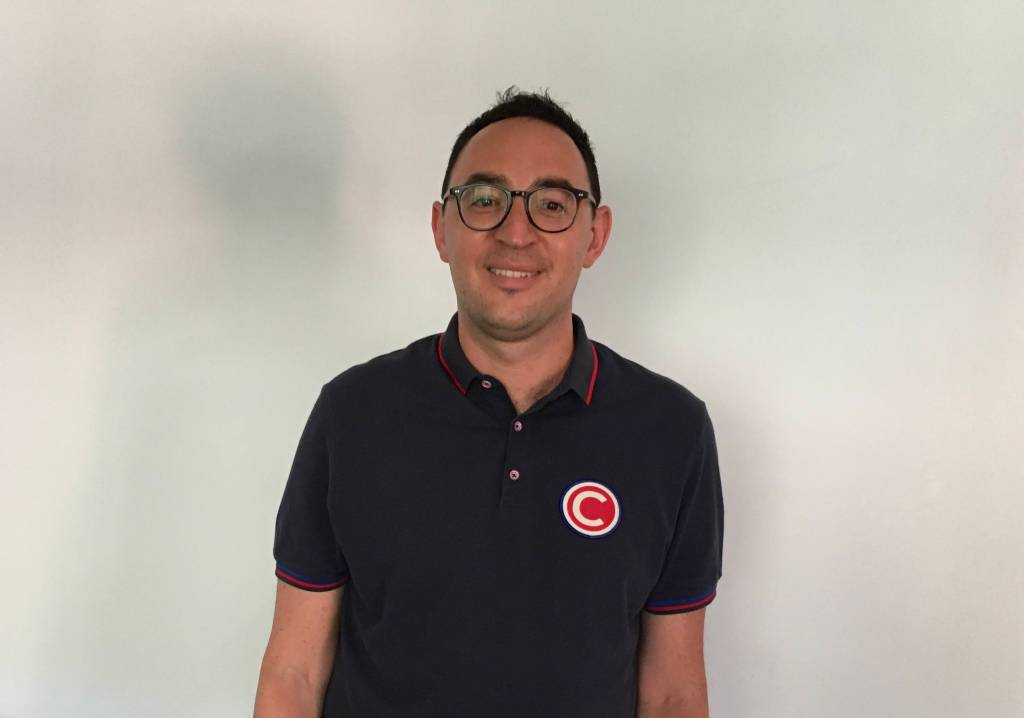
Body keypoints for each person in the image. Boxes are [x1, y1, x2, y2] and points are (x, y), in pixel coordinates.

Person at [254, 87, 724, 718]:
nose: (515, 232)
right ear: (440, 229)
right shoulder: (352, 414)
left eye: (552, 204)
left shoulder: (671, 431)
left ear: (596, 235)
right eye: (483, 199)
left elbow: (672, 693)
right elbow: (293, 672)